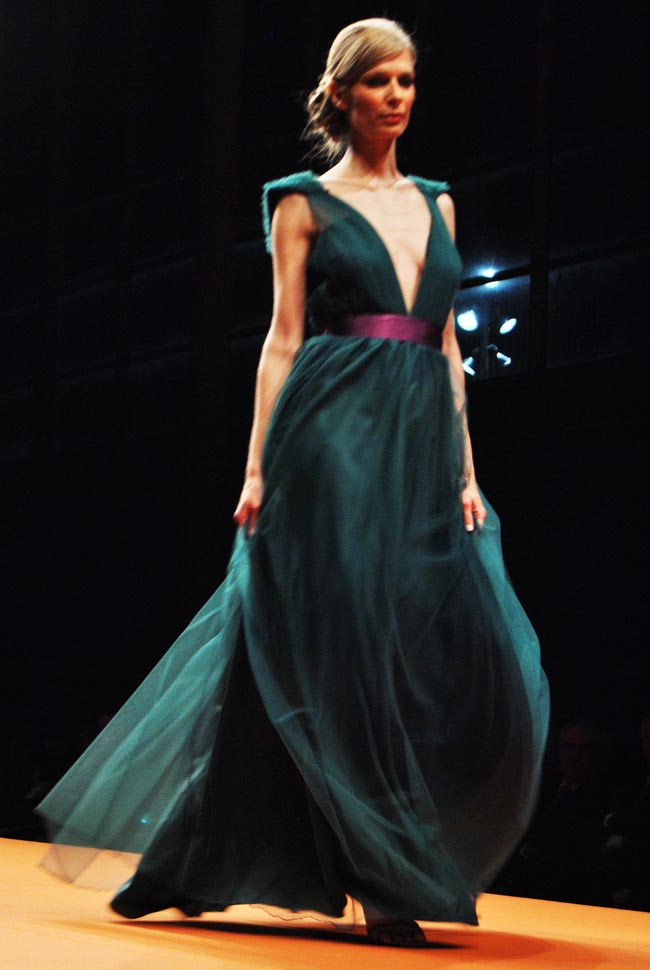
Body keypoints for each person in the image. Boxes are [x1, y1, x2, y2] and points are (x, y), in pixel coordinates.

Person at [37, 18, 549, 947]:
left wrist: (466, 469)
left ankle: (193, 859)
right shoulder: (300, 202)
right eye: (380, 81)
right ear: (342, 94)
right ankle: (386, 881)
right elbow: (281, 340)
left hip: (413, 441)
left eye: (408, 80)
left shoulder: (439, 205)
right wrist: (257, 465)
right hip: (329, 430)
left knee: (382, 640)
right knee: (339, 637)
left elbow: (445, 343)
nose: (398, 96)